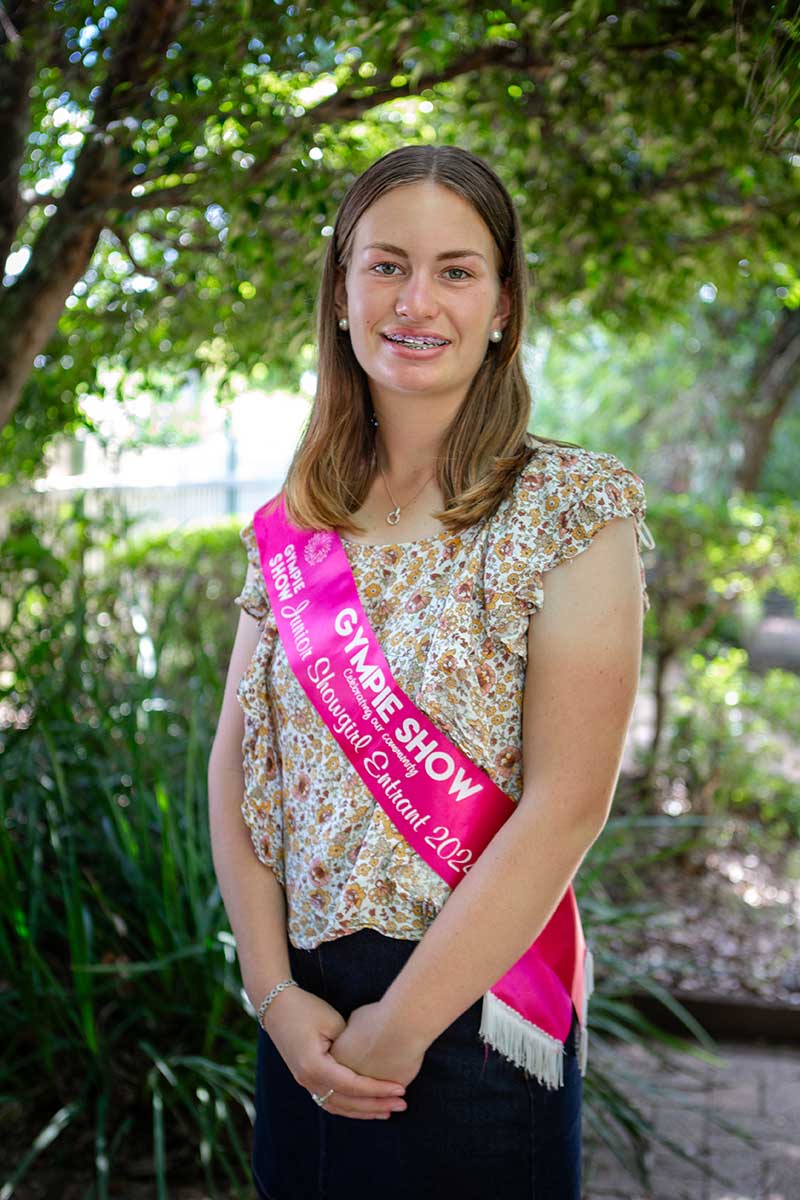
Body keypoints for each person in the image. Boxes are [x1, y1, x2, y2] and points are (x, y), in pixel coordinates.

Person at [208, 144, 652, 1200]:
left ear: (502, 304)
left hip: (473, 1018)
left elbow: (566, 803)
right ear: (340, 290)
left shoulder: (571, 508)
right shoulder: (294, 527)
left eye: (456, 270)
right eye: (385, 265)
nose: (417, 300)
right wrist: (274, 996)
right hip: (305, 1018)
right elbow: (233, 774)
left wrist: (397, 1032)